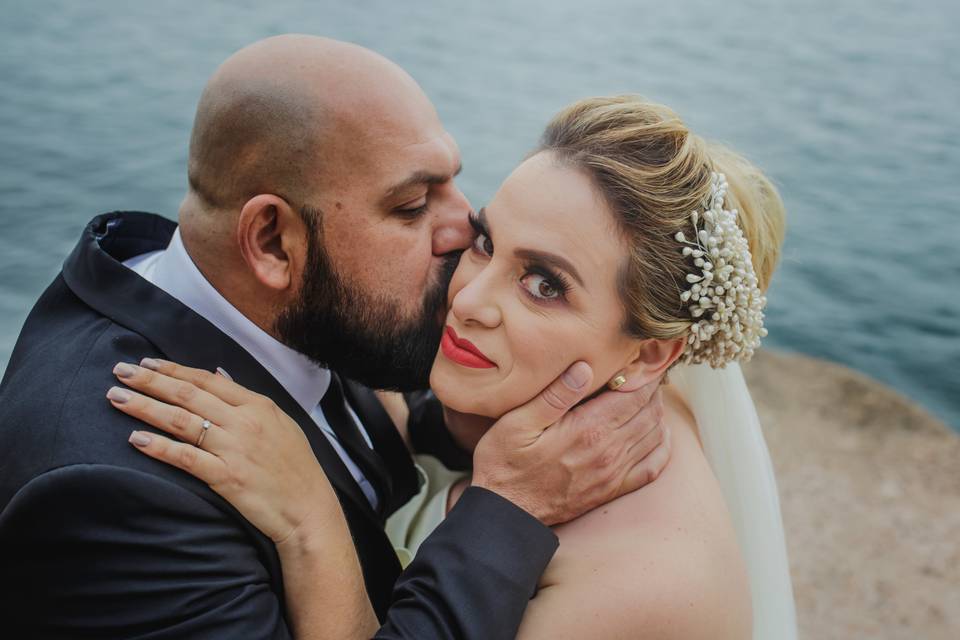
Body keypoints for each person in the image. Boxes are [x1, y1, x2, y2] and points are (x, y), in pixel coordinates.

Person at [0, 38, 671, 639]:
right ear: (271, 241)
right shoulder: (116, 498)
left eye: (451, 183)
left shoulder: (285, 299)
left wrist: (473, 421)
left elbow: (368, 393)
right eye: (411, 207)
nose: (464, 228)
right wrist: (509, 502)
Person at [113, 96, 799, 638]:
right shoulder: (558, 400)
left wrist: (309, 518)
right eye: (486, 242)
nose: (467, 299)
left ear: (652, 354)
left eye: (544, 284)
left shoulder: (637, 583)